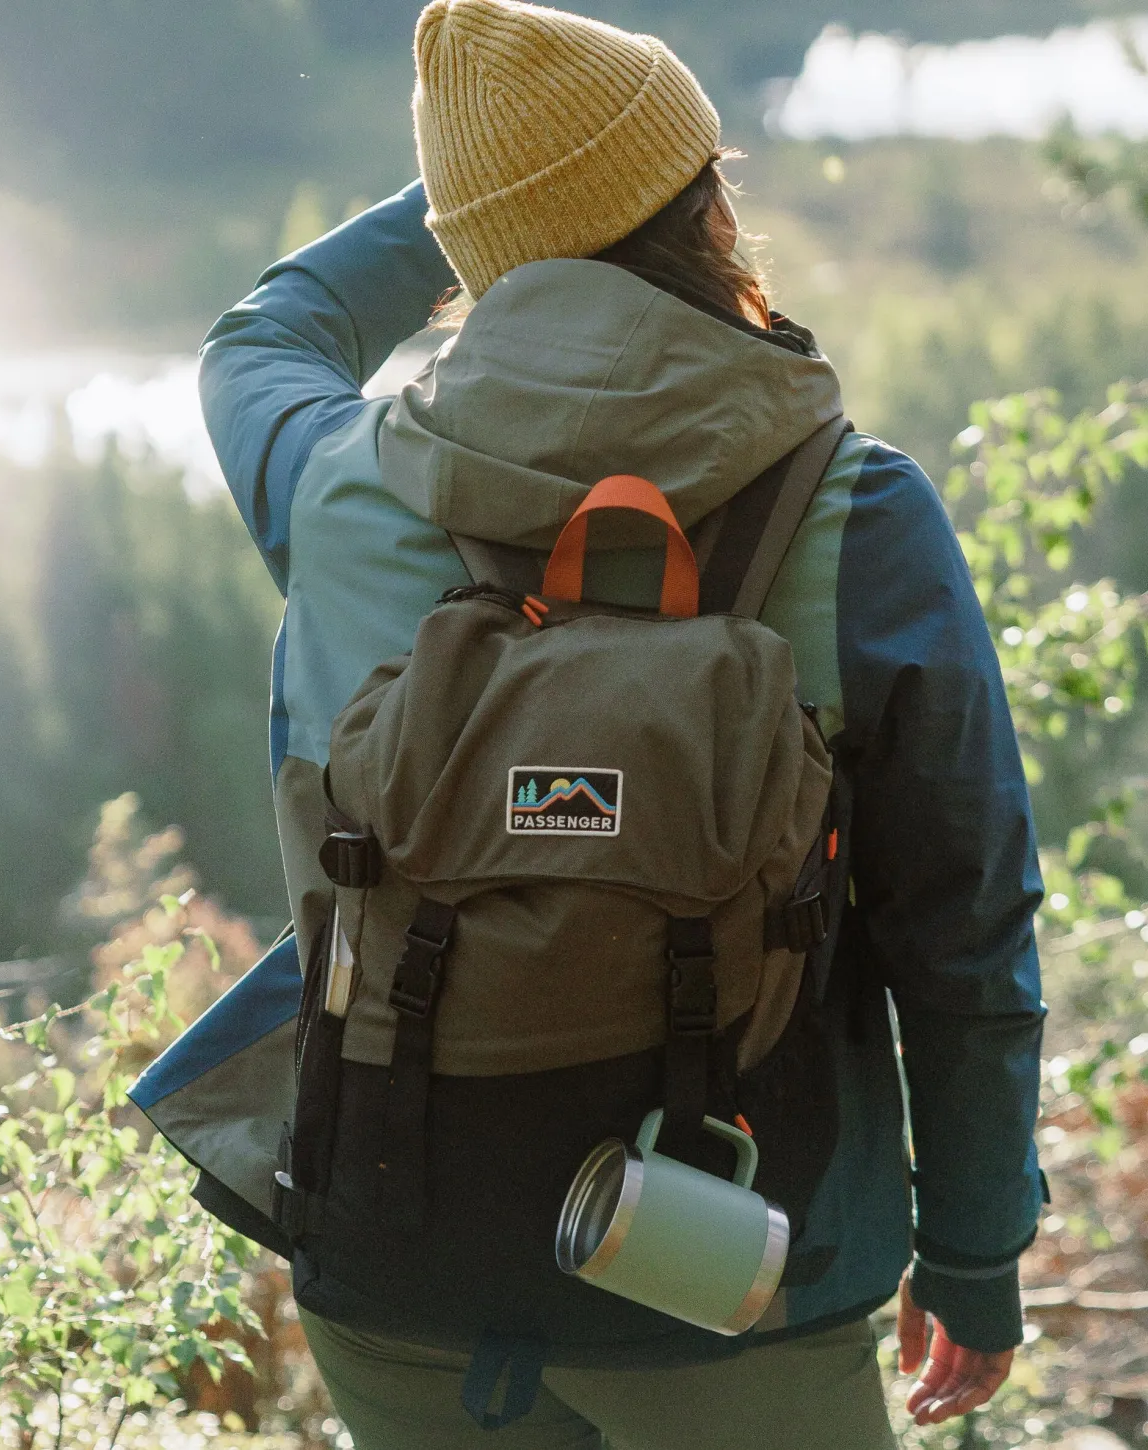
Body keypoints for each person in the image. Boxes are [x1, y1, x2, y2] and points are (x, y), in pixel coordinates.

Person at [190, 1, 1047, 1444]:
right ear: (708, 207)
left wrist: (480, 188)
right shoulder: (860, 511)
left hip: (398, 1261)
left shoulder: (339, 481)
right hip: (740, 1273)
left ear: (475, 244)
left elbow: (266, 331)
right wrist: (974, 1247)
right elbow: (961, 922)